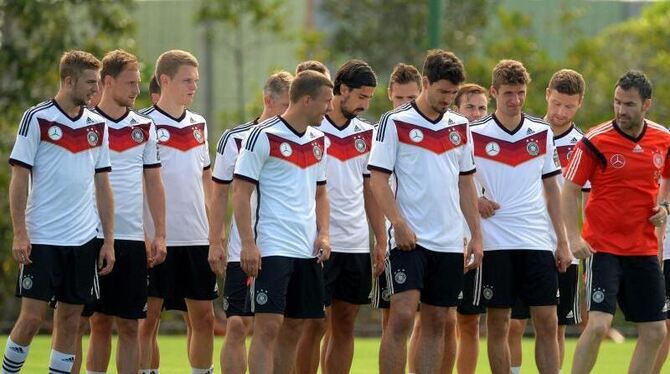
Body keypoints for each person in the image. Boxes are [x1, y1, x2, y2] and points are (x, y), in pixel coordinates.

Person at [369, 49, 483, 374]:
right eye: (443, 91)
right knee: (403, 314)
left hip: (448, 241)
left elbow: (466, 184)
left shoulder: (460, 126)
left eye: (452, 93)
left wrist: (476, 236)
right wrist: (398, 222)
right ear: (425, 82)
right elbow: (378, 181)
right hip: (409, 238)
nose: (448, 99)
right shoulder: (394, 122)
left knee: (438, 321)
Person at [2, 50, 115, 374]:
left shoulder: (97, 125)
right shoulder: (37, 118)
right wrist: (21, 233)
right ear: (69, 81)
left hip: (83, 241)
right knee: (32, 318)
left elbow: (103, 185)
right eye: (91, 82)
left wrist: (107, 240)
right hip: (42, 239)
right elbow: (19, 178)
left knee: (70, 321)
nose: (97, 89)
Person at [564, 70, 670, 374]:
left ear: (646, 104)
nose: (621, 110)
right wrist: (573, 237)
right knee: (598, 324)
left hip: (644, 249)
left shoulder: (663, 138)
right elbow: (569, 189)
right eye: (617, 102)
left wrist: (664, 206)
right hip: (604, 248)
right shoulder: (595, 141)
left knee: (656, 331)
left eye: (629, 104)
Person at [471, 59, 572, 374]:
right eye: (508, 94)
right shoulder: (474, 133)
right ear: (494, 92)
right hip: (495, 241)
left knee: (547, 320)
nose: (515, 100)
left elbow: (553, 191)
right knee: (499, 323)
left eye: (520, 92)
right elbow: (454, 181)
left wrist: (563, 242)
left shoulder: (541, 133)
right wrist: (475, 200)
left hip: (536, 240)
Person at [233, 70, 334, 374]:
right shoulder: (262, 135)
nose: (329, 108)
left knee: (296, 327)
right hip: (273, 246)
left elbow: (321, 194)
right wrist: (248, 244)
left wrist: (324, 234)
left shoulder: (319, 140)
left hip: (307, 249)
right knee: (268, 327)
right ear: (306, 100)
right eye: (326, 101)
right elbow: (240, 192)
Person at [296, 60, 385, 374]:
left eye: (369, 99)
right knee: (314, 323)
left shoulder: (369, 134)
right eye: (361, 96)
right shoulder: (310, 129)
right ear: (341, 90)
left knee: (345, 323)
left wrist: (380, 240)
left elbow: (371, 190)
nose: (365, 104)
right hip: (316, 241)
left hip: (355, 242)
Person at [208, 71, 293, 374]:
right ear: (267, 100)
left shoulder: (298, 139)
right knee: (237, 325)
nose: (288, 111)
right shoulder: (235, 139)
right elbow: (219, 194)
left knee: (277, 327)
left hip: (284, 247)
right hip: (241, 250)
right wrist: (215, 240)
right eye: (284, 104)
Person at [137, 50, 216, 374]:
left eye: (196, 81)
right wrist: (145, 233)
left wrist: (215, 231)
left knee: (205, 318)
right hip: (156, 240)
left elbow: (207, 177)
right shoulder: (143, 125)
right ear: (165, 80)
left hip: (196, 237)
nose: (193, 87)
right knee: (147, 321)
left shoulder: (199, 124)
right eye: (187, 80)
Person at [506, 69, 589, 374]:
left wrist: (578, 244)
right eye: (556, 104)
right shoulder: (527, 132)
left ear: (579, 104)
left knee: (555, 327)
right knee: (513, 324)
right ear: (546, 96)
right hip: (521, 241)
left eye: (568, 106)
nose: (560, 112)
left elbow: (588, 202)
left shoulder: (585, 145)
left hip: (561, 249)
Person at [370, 63, 422, 325]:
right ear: (390, 93)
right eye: (399, 97)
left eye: (411, 98)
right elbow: (375, 187)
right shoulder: (384, 129)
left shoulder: (427, 129)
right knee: (394, 316)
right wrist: (381, 238)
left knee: (436, 317)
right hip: (393, 237)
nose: (404, 104)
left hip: (428, 237)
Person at [453, 83, 490, 374]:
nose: (476, 114)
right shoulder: (448, 140)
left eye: (481, 108)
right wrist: (474, 199)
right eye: (470, 107)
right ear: (456, 109)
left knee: (470, 320)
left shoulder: (492, 141)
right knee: (435, 317)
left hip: (478, 242)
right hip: (447, 240)